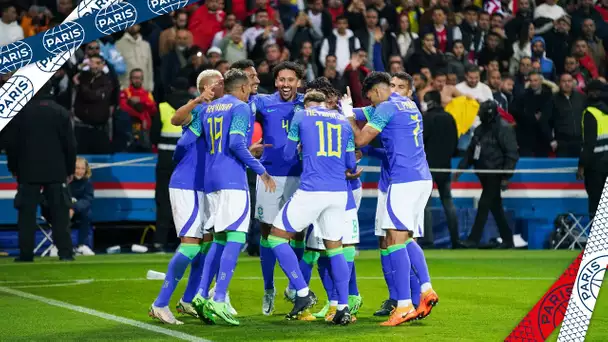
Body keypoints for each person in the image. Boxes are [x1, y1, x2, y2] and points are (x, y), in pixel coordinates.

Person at [345, 72, 438, 326]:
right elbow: (365, 113)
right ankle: (426, 289)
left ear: (375, 92)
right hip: (422, 178)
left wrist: (350, 122)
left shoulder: (385, 107)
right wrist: (349, 109)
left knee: (394, 240)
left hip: (403, 180)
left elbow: (361, 138)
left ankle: (404, 305)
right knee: (405, 238)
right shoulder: (410, 105)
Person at [192, 69, 276, 326]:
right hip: (232, 180)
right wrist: (262, 171)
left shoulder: (208, 108)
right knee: (236, 237)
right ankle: (218, 299)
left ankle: (201, 294)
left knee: (218, 237)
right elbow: (236, 144)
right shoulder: (240, 107)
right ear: (241, 88)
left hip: (211, 178)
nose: (253, 88)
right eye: (250, 85)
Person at [267, 90, 355, 325]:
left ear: (307, 105)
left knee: (276, 237)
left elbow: (287, 155)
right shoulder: (343, 122)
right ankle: (343, 308)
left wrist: (301, 150)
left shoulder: (301, 116)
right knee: (334, 248)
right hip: (338, 193)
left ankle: (303, 294)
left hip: (312, 190)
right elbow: (351, 163)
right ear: (326, 103)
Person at [149, 70, 223, 325]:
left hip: (206, 187)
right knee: (191, 244)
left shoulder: (223, 113)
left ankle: (188, 300)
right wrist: (196, 100)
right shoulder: (199, 111)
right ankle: (160, 304)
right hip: (187, 184)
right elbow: (176, 119)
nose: (220, 86)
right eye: (215, 84)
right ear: (205, 88)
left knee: (204, 247)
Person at [253, 61, 305, 316]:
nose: (286, 84)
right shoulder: (263, 102)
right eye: (281, 80)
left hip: (299, 175)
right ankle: (268, 288)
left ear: (298, 82)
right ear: (275, 82)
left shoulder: (308, 102)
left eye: (290, 80)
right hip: (269, 175)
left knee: (298, 233)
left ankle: (295, 286)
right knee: (267, 232)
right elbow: (239, 114)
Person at [5, 83, 76, 262]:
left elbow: (11, 144)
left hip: (28, 170)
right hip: (56, 169)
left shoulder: (21, 113)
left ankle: (26, 253)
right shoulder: (61, 112)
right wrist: (69, 169)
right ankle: (66, 252)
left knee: (26, 215)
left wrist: (13, 167)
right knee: (60, 214)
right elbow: (70, 145)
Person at [454, 101, 519, 249]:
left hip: (495, 173)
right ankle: (508, 240)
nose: (479, 115)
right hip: (483, 173)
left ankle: (473, 239)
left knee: (484, 204)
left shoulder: (504, 128)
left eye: (482, 113)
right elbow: (471, 151)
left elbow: (512, 154)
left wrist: (505, 176)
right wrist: (461, 168)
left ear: (488, 114)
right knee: (496, 208)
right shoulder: (480, 129)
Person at [150, 77, 194, 252]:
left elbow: (153, 136)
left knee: (163, 200)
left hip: (165, 163)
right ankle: (186, 241)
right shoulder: (194, 107)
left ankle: (159, 241)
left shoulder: (162, 108)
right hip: (187, 162)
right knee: (186, 201)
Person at [422, 90, 460, 248]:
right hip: (445, 166)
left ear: (430, 102)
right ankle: (455, 240)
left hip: (428, 166)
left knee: (425, 204)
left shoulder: (426, 118)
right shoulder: (449, 118)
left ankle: (428, 240)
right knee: (448, 202)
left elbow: (421, 141)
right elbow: (455, 142)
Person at [578, 80, 608, 220]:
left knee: (596, 205)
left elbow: (589, 144)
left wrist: (581, 166)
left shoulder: (590, 112)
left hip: (596, 166)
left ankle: (599, 241)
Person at [69, 157, 95, 256]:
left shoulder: (87, 182)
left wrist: (73, 208)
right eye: (77, 168)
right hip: (63, 210)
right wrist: (68, 207)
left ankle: (81, 245)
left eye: (82, 168)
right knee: (60, 214)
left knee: (87, 213)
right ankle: (58, 246)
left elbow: (87, 200)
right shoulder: (66, 180)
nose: (80, 171)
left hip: (78, 211)